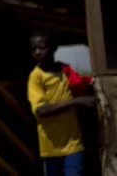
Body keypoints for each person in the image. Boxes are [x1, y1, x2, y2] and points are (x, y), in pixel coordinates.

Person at [27, 30, 96, 176]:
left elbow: (80, 84)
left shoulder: (65, 70)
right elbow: (41, 110)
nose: (38, 52)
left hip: (73, 143)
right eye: (34, 49)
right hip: (50, 147)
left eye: (42, 47)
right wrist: (76, 102)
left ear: (53, 48)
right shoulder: (36, 77)